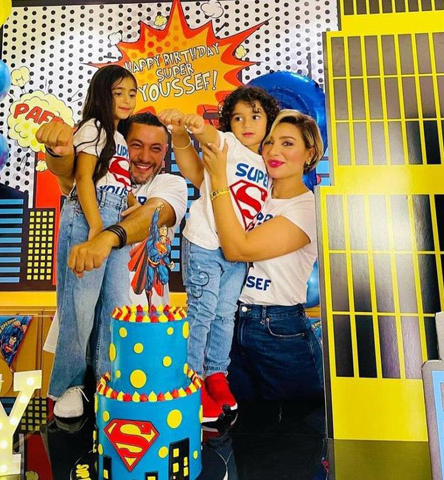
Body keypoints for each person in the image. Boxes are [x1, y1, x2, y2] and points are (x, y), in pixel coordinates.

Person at [158, 86, 280, 422]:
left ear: (269, 121)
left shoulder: (269, 163)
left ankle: (215, 374)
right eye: (238, 118)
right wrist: (196, 126)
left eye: (255, 116)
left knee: (225, 315)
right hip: (204, 243)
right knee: (201, 312)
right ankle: (189, 378)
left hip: (236, 253)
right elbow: (210, 136)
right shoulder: (229, 144)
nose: (246, 124)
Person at [202, 108, 325, 410]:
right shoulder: (256, 193)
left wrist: (218, 177)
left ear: (309, 154)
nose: (273, 151)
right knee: (239, 426)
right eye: (269, 142)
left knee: (293, 429)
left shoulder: (306, 208)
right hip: (231, 322)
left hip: (279, 331)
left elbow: (237, 249)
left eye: (287, 143)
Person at [38, 112, 187, 359]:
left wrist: (106, 238)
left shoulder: (170, 184)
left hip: (144, 332)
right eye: (136, 145)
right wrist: (57, 151)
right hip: (81, 332)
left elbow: (155, 214)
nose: (145, 157)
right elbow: (65, 175)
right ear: (119, 145)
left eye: (155, 149)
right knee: (72, 383)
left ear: (164, 154)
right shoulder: (94, 180)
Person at [47, 65, 137, 418]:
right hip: (89, 216)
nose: (127, 99)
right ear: (101, 94)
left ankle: (107, 380)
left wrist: (131, 204)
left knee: (115, 305)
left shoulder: (118, 137)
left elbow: (115, 180)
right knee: (79, 308)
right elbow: (84, 178)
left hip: (113, 222)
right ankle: (67, 386)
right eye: (119, 93)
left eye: (132, 93)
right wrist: (97, 225)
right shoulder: (94, 127)